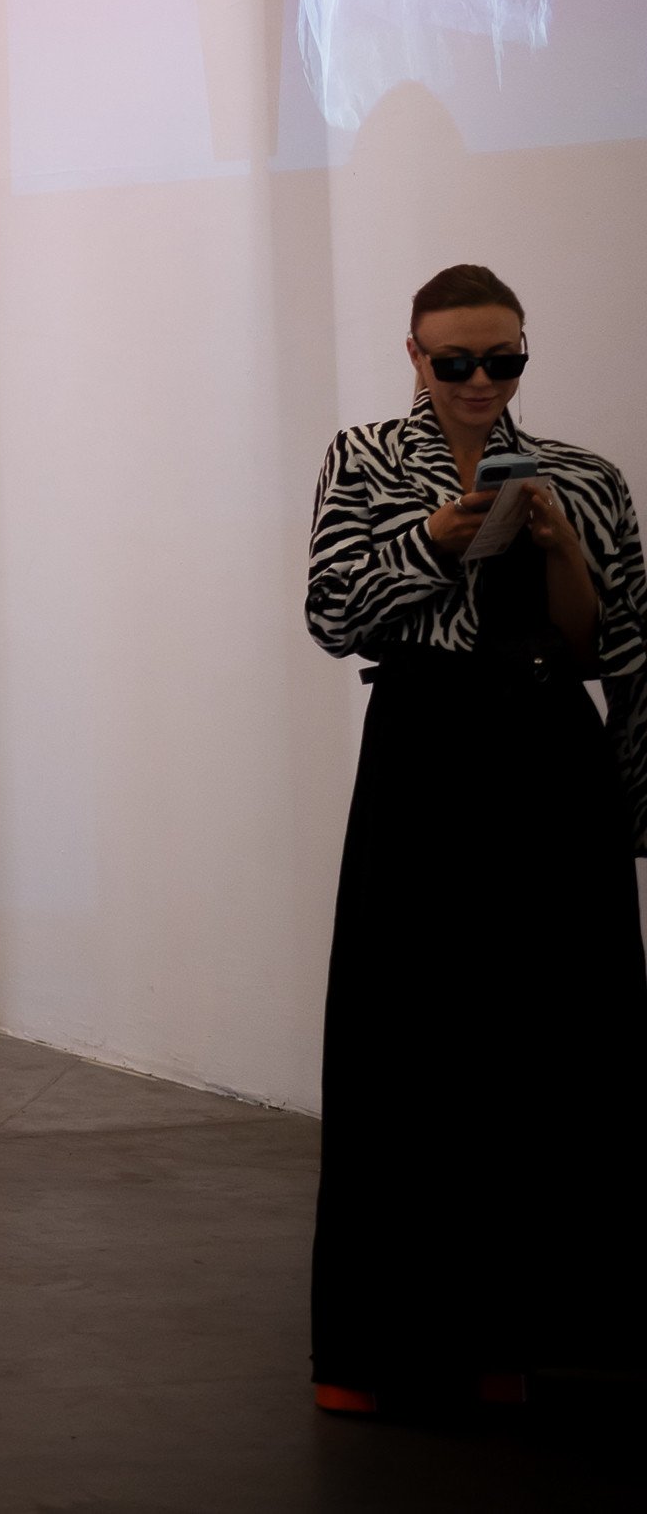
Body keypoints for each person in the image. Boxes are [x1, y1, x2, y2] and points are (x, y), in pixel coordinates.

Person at [302, 262, 643, 1415]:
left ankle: (527, 1338)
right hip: (425, 749)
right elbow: (329, 615)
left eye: (503, 360)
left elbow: (604, 647)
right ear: (414, 355)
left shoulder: (584, 477)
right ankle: (380, 1349)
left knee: (553, 1034)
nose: (479, 381)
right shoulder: (362, 460)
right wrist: (433, 543)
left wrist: (559, 550)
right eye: (455, 361)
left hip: (548, 750)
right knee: (404, 1038)